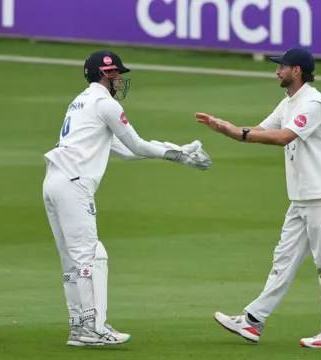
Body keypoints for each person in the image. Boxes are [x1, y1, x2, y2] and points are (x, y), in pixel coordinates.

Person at [42, 50, 212, 346]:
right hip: (74, 184)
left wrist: (176, 149)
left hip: (54, 182)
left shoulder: (81, 101)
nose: (119, 78)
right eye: (114, 74)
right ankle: (93, 328)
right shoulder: (104, 103)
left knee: (73, 262)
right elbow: (136, 144)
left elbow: (127, 151)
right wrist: (180, 155)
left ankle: (79, 327)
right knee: (91, 258)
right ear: (101, 75)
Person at [195, 47, 321, 349]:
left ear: (298, 71)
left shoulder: (314, 103)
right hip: (302, 196)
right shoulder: (289, 103)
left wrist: (239, 134)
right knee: (284, 260)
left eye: (283, 67)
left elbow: (283, 137)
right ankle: (253, 322)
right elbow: (261, 130)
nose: (277, 71)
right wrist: (226, 128)